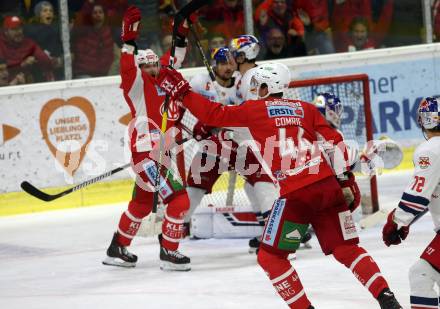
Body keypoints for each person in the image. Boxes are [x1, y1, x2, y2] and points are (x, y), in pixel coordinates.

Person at [157, 62, 402, 308]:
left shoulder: (253, 110)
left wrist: (183, 91)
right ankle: (386, 297)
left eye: (258, 85)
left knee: (270, 257)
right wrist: (347, 181)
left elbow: (213, 114)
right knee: (347, 249)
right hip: (327, 186)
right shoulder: (306, 109)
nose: (254, 89)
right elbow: (335, 145)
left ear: (267, 87)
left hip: (296, 194)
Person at [102, 6, 192, 271]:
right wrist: (129, 42)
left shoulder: (164, 79)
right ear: (140, 67)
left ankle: (117, 247)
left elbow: (175, 57)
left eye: (154, 64)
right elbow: (128, 68)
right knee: (179, 201)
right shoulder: (136, 85)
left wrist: (182, 34)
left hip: (158, 154)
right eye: (146, 65)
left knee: (141, 204)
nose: (152, 68)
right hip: (147, 154)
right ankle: (170, 252)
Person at [382, 97, 440, 309]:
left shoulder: (431, 150)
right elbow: (431, 196)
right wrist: (407, 221)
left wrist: (396, 222)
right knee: (423, 274)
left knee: (421, 274)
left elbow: (417, 195)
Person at [229, 34, 281, 253]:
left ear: (245, 54)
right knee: (251, 186)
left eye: (235, 54)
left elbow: (252, 112)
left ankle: (278, 234)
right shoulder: (241, 77)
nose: (231, 57)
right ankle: (270, 230)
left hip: (259, 140)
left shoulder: (253, 76)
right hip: (252, 141)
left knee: (264, 185)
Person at [182, 47, 241, 233]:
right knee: (195, 185)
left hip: (241, 144)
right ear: (215, 65)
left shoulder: (241, 82)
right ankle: (180, 223)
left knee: (260, 183)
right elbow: (183, 104)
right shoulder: (200, 82)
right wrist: (202, 125)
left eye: (231, 63)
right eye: (223, 64)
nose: (228, 68)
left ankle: (276, 221)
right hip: (213, 145)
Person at [0, 15, 53, 84]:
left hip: (25, 84)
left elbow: (46, 62)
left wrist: (38, 59)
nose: (18, 32)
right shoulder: (1, 44)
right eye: (14, 29)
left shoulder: (29, 44)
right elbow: (3, 68)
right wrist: (22, 64)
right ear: (5, 31)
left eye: (19, 28)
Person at [71, 3, 115, 78]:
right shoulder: (83, 30)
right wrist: (89, 2)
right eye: (95, 12)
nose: (98, 15)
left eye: (100, 12)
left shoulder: (109, 31)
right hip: (84, 73)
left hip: (103, 74)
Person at [24, 1, 63, 80]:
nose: (48, 13)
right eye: (44, 11)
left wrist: (60, 59)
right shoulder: (30, 30)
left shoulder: (58, 28)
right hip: (38, 69)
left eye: (51, 11)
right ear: (38, 14)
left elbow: (61, 48)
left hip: (56, 69)